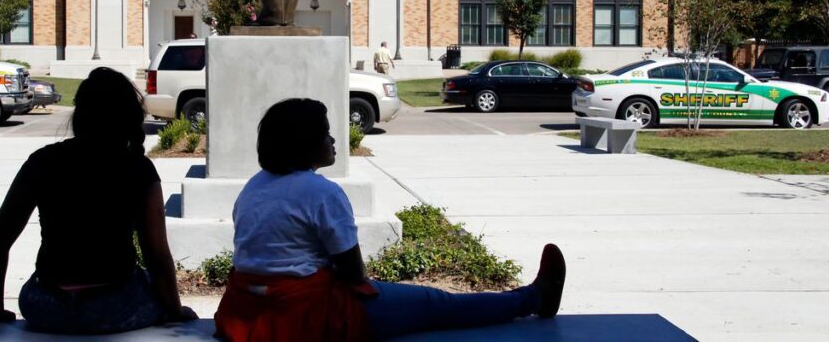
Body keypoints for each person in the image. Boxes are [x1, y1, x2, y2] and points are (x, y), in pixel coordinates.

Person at [214, 99, 566, 341]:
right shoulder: (320, 192)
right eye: (325, 133)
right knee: (438, 303)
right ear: (305, 144)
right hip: (312, 316)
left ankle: (530, 297)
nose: (333, 139)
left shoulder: (253, 187)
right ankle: (533, 298)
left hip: (248, 309)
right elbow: (354, 274)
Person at [0, 67, 197, 334]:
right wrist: (175, 310)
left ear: (80, 114)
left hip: (47, 307)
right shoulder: (138, 168)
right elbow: (156, 254)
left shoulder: (42, 161)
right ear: (128, 118)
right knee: (145, 283)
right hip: (115, 306)